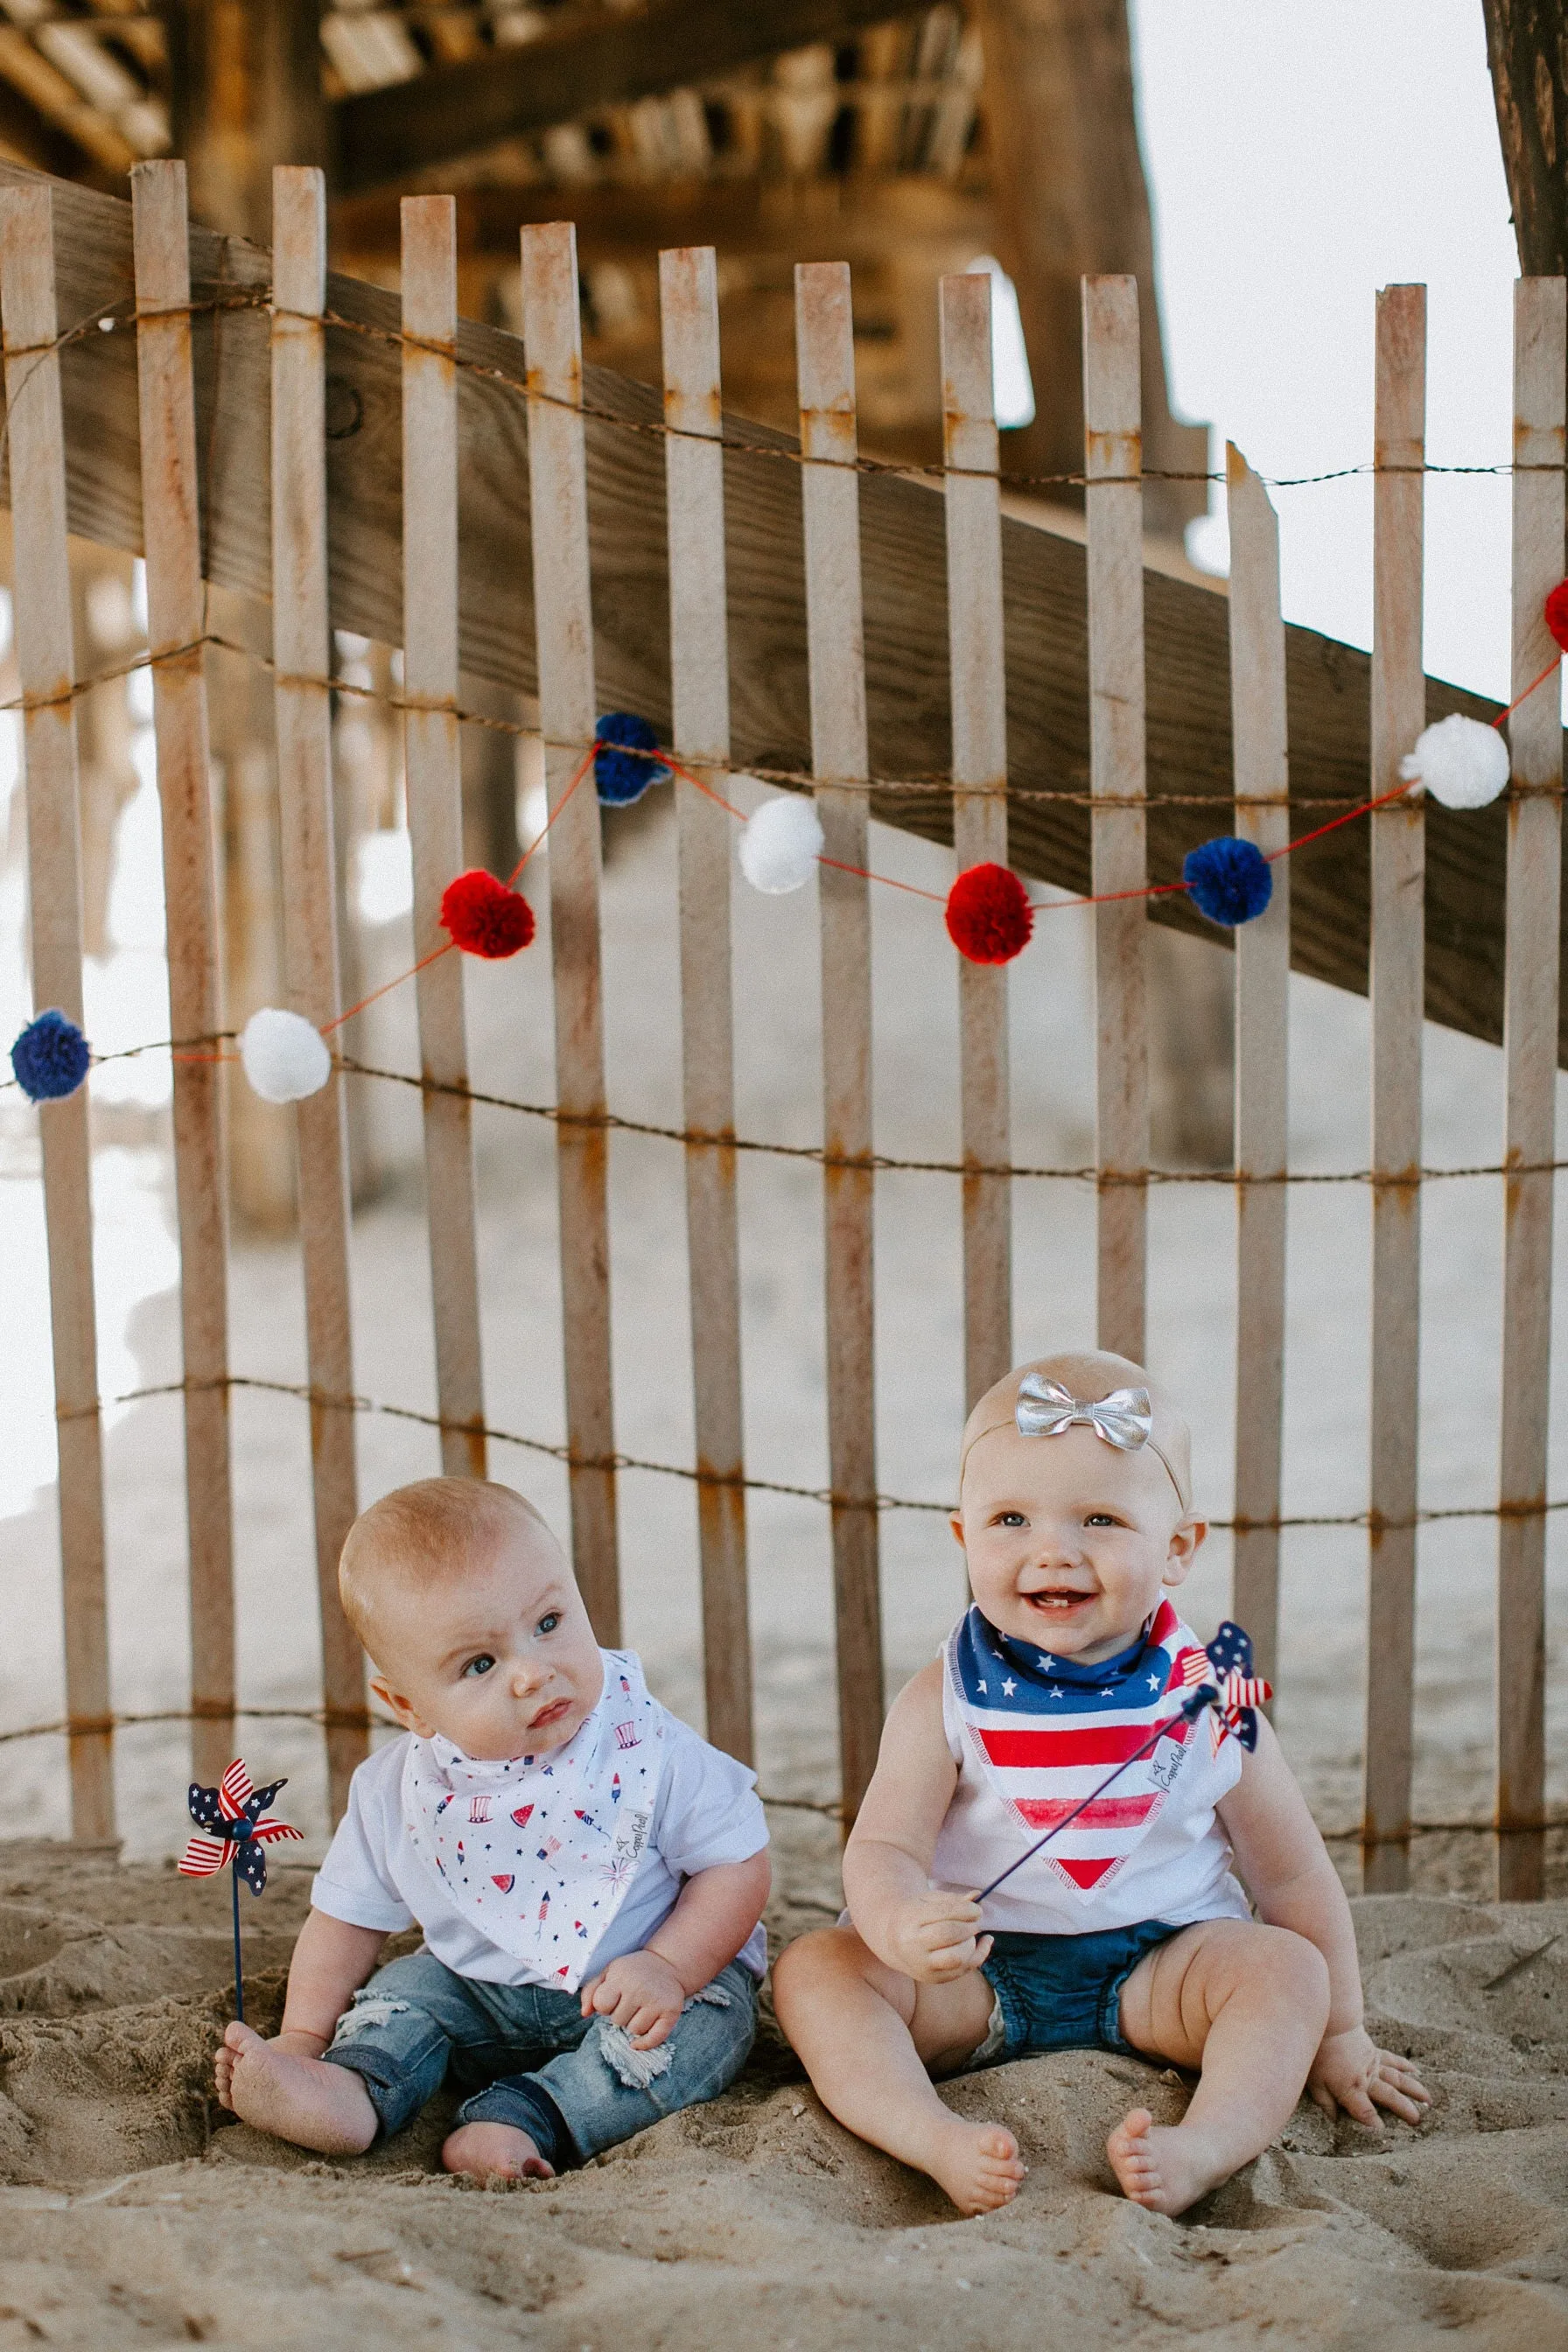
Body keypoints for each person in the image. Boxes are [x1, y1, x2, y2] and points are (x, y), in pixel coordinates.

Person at [772, 1351, 1428, 2219]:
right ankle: (928, 2134)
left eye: (1100, 1519)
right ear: (964, 1538)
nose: (1054, 1552)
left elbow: (1291, 1874)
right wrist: (896, 1924)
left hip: (1162, 1970)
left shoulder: (1206, 1695)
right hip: (977, 1975)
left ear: (1177, 1549)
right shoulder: (947, 1692)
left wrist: (1340, 2029)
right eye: (1010, 1518)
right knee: (815, 1971)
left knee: (1287, 1974)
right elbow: (886, 1844)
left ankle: (1202, 2146)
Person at [215, 1478, 769, 2183]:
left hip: (637, 1987)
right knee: (404, 1993)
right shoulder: (398, 1793)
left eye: (548, 1623)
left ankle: (523, 2115)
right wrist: (302, 2034)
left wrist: (670, 1966)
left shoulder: (643, 1746)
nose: (532, 1673)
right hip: (476, 1994)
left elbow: (738, 1865)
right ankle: (351, 2088)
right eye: (481, 1664)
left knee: (705, 2026)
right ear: (409, 1705)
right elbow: (345, 1921)